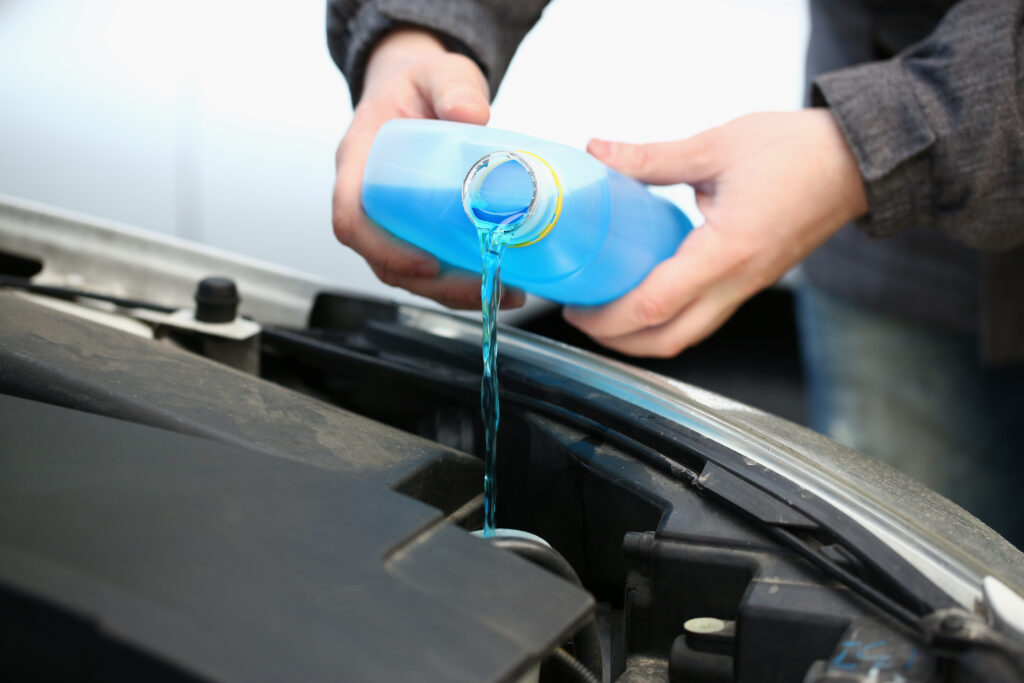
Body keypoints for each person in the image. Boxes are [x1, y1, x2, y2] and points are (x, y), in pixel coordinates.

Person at [326, 0, 1024, 547]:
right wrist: (415, 32)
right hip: (903, 250)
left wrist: (868, 144)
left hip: (891, 153)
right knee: (915, 552)